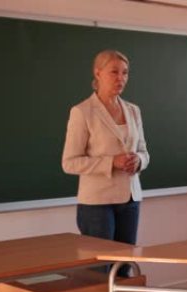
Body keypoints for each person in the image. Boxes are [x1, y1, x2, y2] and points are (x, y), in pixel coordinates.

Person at [62, 50, 149, 250]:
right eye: (114, 72)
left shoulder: (133, 111)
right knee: (101, 270)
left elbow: (144, 151)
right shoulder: (82, 112)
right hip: (97, 204)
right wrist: (111, 162)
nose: (121, 78)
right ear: (98, 73)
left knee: (125, 265)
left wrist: (139, 161)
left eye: (125, 73)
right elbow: (69, 162)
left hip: (130, 199)